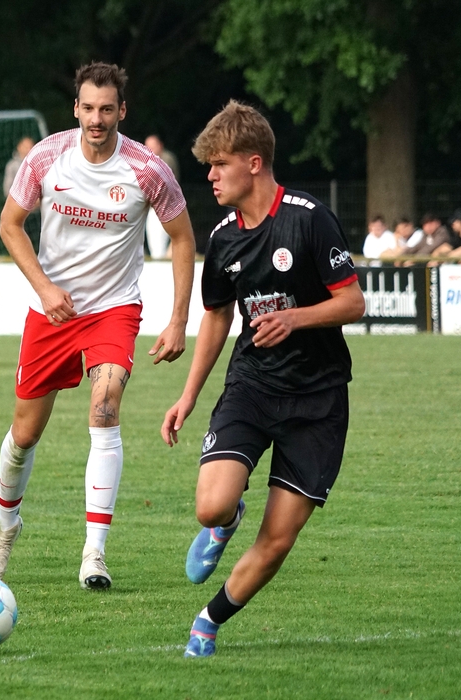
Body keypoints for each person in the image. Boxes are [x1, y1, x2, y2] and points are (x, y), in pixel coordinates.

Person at [0, 62, 195, 591]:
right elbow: (9, 225)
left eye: (107, 109)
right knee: (24, 436)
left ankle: (94, 553)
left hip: (113, 310)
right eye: (89, 108)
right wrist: (45, 289)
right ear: (75, 108)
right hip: (53, 312)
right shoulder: (45, 157)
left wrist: (177, 320)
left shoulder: (148, 170)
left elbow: (183, 238)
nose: (97, 119)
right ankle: (6, 526)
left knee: (106, 408)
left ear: (123, 111)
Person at [161, 100, 365, 658]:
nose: (210, 176)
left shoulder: (309, 218)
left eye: (219, 164)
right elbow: (217, 316)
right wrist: (187, 396)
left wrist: (296, 318)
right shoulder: (224, 237)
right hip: (252, 386)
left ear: (254, 163)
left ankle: (209, 620)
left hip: (319, 399)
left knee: (278, 539)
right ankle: (225, 522)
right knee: (210, 506)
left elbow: (353, 302)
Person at [143, 135, 176, 259]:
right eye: (147, 146)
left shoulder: (166, 159)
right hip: (152, 208)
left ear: (160, 146)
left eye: (152, 146)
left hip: (163, 208)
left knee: (158, 248)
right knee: (155, 246)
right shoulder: (148, 161)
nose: (149, 149)